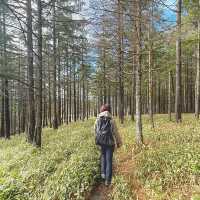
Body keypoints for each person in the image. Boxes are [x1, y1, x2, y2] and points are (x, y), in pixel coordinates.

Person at [94, 104, 122, 186]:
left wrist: (97, 139)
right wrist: (118, 142)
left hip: (101, 142)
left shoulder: (98, 119)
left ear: (102, 110)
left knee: (103, 157)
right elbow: (115, 132)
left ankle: (103, 175)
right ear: (109, 110)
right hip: (110, 143)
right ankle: (108, 180)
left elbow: (95, 130)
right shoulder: (111, 119)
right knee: (109, 160)